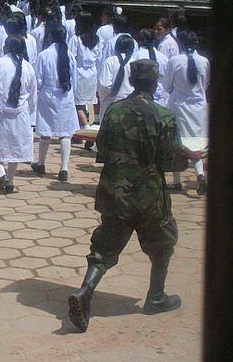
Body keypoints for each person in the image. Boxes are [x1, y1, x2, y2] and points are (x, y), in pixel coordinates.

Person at [67, 60, 190, 332]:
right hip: (149, 195)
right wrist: (188, 158)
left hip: (115, 192)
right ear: (155, 83)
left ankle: (85, 292)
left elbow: (104, 147)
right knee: (162, 243)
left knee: (104, 248)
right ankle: (156, 296)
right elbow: (171, 161)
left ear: (133, 81)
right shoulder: (164, 116)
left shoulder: (113, 111)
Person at [0, 37, 38, 194]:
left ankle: (2, 174)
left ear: (6, 47)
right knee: (15, 148)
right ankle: (10, 182)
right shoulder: (28, 67)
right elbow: (33, 96)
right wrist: (30, 113)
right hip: (21, 114)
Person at [162, 29, 210, 194]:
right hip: (199, 108)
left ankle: (176, 181)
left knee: (177, 143)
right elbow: (206, 84)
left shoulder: (175, 60)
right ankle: (200, 174)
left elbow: (166, 85)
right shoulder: (204, 61)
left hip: (179, 107)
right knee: (196, 144)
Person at [31, 24, 79, 182]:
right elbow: (74, 80)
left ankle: (41, 163)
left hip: (47, 96)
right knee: (65, 134)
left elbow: (38, 79)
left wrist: (38, 93)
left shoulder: (44, 55)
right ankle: (63, 168)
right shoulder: (70, 55)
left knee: (45, 132)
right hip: (65, 97)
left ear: (50, 37)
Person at [98, 34, 137, 120]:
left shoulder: (109, 62)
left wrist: (105, 98)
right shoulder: (134, 64)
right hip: (129, 102)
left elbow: (104, 85)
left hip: (111, 102)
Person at [73, 11, 100, 128]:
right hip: (92, 73)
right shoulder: (97, 40)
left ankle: (86, 127)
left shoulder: (76, 39)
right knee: (87, 103)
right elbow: (99, 56)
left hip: (79, 73)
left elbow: (72, 56)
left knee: (77, 104)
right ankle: (87, 124)